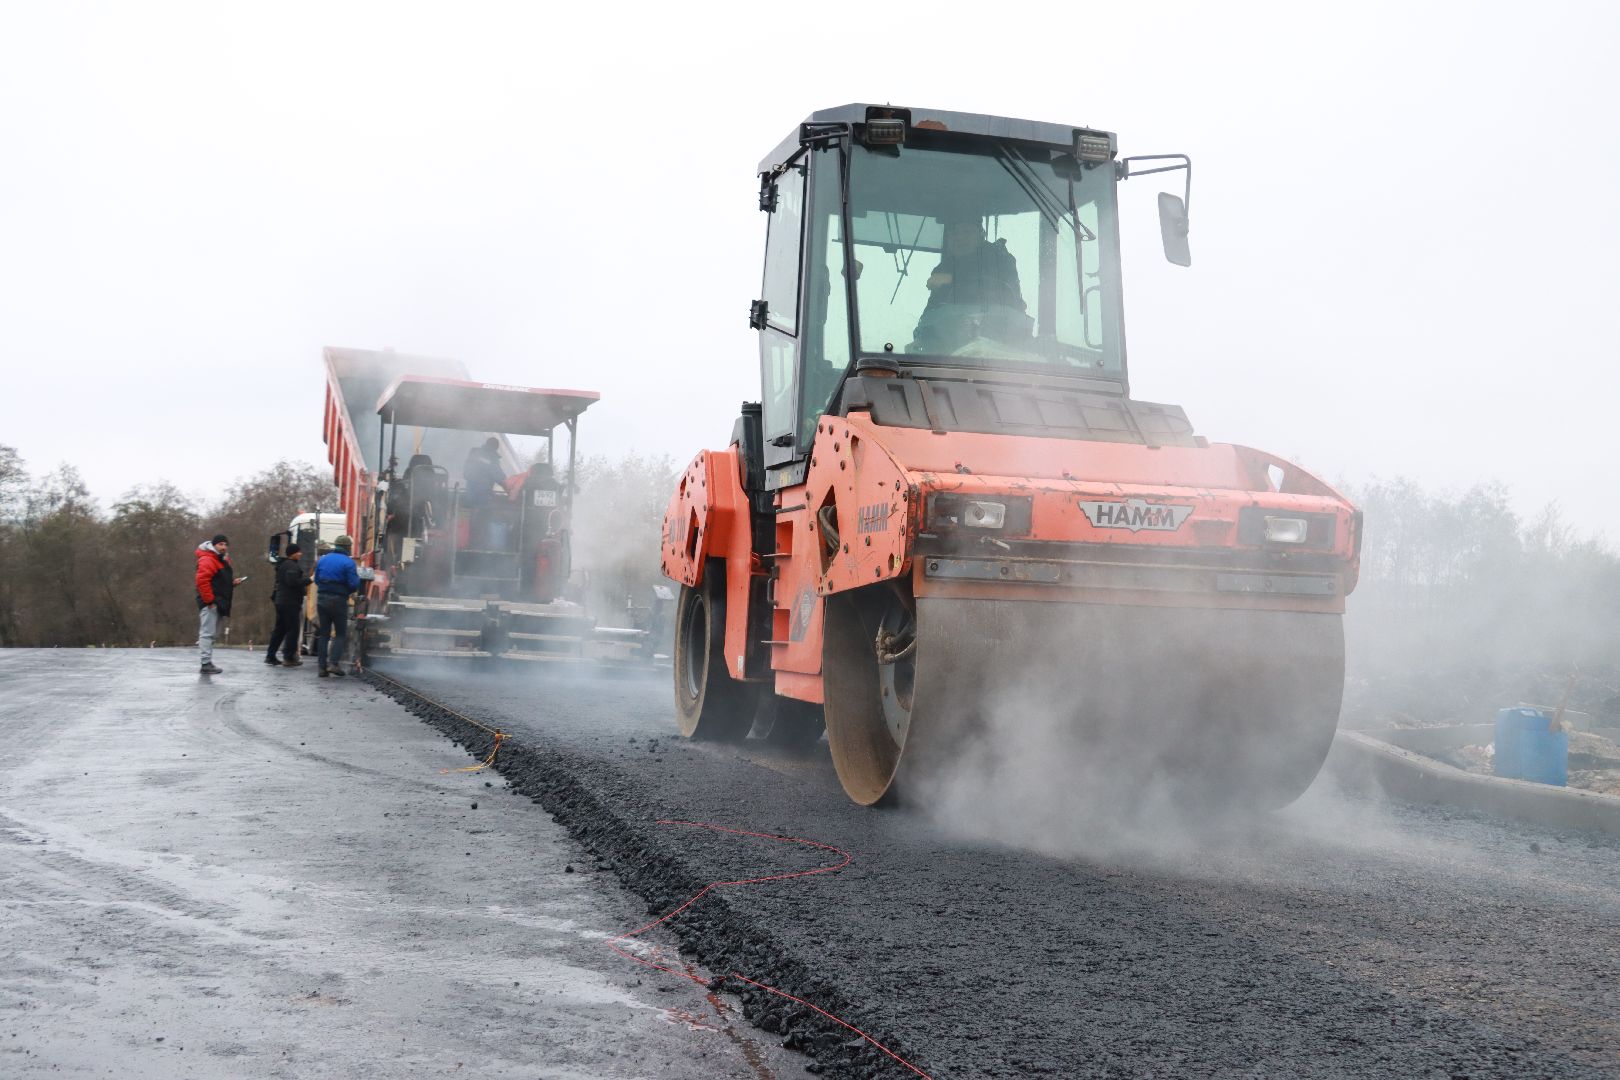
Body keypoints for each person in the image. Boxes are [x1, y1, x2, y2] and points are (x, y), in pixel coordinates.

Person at [911, 217, 1030, 354]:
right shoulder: (943, 268)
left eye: (967, 232)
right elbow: (933, 309)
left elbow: (998, 287)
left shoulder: (999, 259)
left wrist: (950, 279)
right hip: (950, 346)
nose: (959, 237)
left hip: (998, 346)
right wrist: (922, 336)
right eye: (954, 233)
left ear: (981, 236)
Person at [312, 534, 361, 677]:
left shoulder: (322, 560)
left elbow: (317, 579)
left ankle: (322, 668)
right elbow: (353, 584)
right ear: (347, 547)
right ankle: (333, 664)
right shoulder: (349, 562)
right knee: (340, 633)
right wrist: (347, 590)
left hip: (322, 599)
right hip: (338, 600)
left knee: (324, 634)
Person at [195, 534, 245, 675]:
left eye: (225, 544)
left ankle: (207, 662)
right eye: (220, 544)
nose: (224, 547)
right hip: (211, 603)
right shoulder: (208, 560)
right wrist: (209, 601)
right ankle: (205, 664)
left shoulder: (220, 560)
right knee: (207, 633)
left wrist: (232, 583)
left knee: (212, 634)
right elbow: (202, 581)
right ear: (214, 545)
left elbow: (218, 582)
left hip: (218, 602)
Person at [264, 544, 310, 667]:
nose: (300, 554)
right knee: (293, 630)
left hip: (281, 601)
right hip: (290, 602)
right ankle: (289, 657)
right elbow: (293, 582)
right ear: (292, 553)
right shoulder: (292, 566)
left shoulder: (283, 565)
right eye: (298, 552)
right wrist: (309, 580)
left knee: (280, 629)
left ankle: (270, 655)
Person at [461, 438, 507, 508]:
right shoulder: (492, 458)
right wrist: (507, 485)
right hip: (482, 495)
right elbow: (497, 475)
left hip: (470, 493)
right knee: (485, 510)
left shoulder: (474, 453)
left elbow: (466, 473)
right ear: (495, 447)